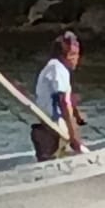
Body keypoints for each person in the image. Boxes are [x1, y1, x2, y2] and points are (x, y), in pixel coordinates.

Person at [31, 30, 85, 161]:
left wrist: (77, 115)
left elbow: (67, 99)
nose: (77, 59)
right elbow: (64, 102)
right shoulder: (57, 68)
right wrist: (74, 138)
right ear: (70, 55)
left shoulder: (57, 69)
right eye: (76, 55)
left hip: (53, 126)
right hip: (52, 127)